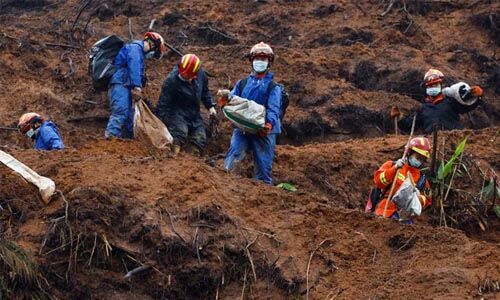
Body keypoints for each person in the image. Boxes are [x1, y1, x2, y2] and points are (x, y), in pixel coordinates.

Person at [222, 42, 282, 184]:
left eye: (263, 58)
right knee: (234, 155)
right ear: (251, 60)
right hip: (243, 128)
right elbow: (232, 99)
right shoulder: (242, 83)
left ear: (269, 62)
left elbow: (274, 109)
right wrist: (224, 100)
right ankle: (225, 184)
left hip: (263, 131)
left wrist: (269, 124)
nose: (260, 62)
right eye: (257, 58)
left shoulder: (273, 87)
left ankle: (264, 193)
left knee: (263, 165)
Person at [105, 31, 166, 138]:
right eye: (154, 53)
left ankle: (128, 143)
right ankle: (109, 140)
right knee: (121, 113)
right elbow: (134, 68)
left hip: (125, 85)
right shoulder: (135, 49)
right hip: (120, 84)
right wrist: (137, 86)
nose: (151, 57)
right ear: (152, 45)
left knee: (129, 118)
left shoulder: (138, 52)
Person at [155, 54, 217, 155]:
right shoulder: (171, 81)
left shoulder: (200, 75)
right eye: (183, 74)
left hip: (194, 114)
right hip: (177, 113)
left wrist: (210, 106)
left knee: (200, 138)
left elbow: (205, 92)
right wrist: (160, 123)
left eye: (188, 76)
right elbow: (163, 105)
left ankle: (192, 158)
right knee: (179, 132)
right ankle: (174, 155)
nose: (184, 77)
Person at [397, 68, 484, 133]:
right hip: (432, 144)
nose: (432, 88)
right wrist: (399, 117)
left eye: (435, 85)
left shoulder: (451, 102)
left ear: (441, 85)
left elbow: (466, 105)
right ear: (426, 88)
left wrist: (475, 96)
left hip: (453, 140)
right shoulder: (423, 108)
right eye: (430, 86)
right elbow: (409, 125)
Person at [373, 137, 432, 221]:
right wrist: (394, 169)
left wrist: (416, 198)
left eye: (422, 159)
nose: (419, 161)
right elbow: (378, 181)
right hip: (385, 210)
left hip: (405, 216)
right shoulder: (391, 165)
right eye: (417, 157)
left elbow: (428, 200)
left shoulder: (422, 179)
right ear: (409, 152)